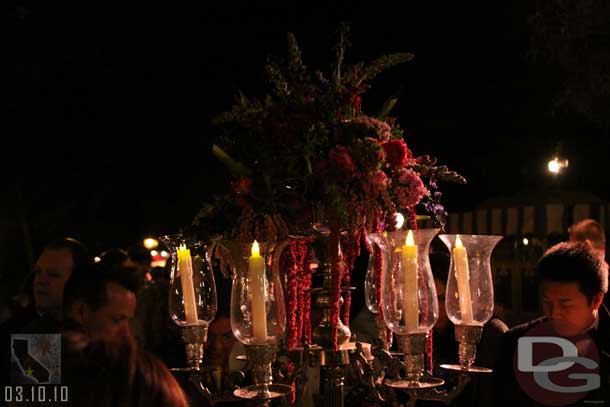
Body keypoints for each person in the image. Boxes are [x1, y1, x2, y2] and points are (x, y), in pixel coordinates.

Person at [494, 242, 610, 406]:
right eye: (547, 301)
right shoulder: (515, 343)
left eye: (565, 304)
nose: (554, 313)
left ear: (596, 300)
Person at [429, 251, 508, 407]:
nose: (435, 309)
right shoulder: (416, 334)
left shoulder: (490, 333)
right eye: (427, 299)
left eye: (442, 298)